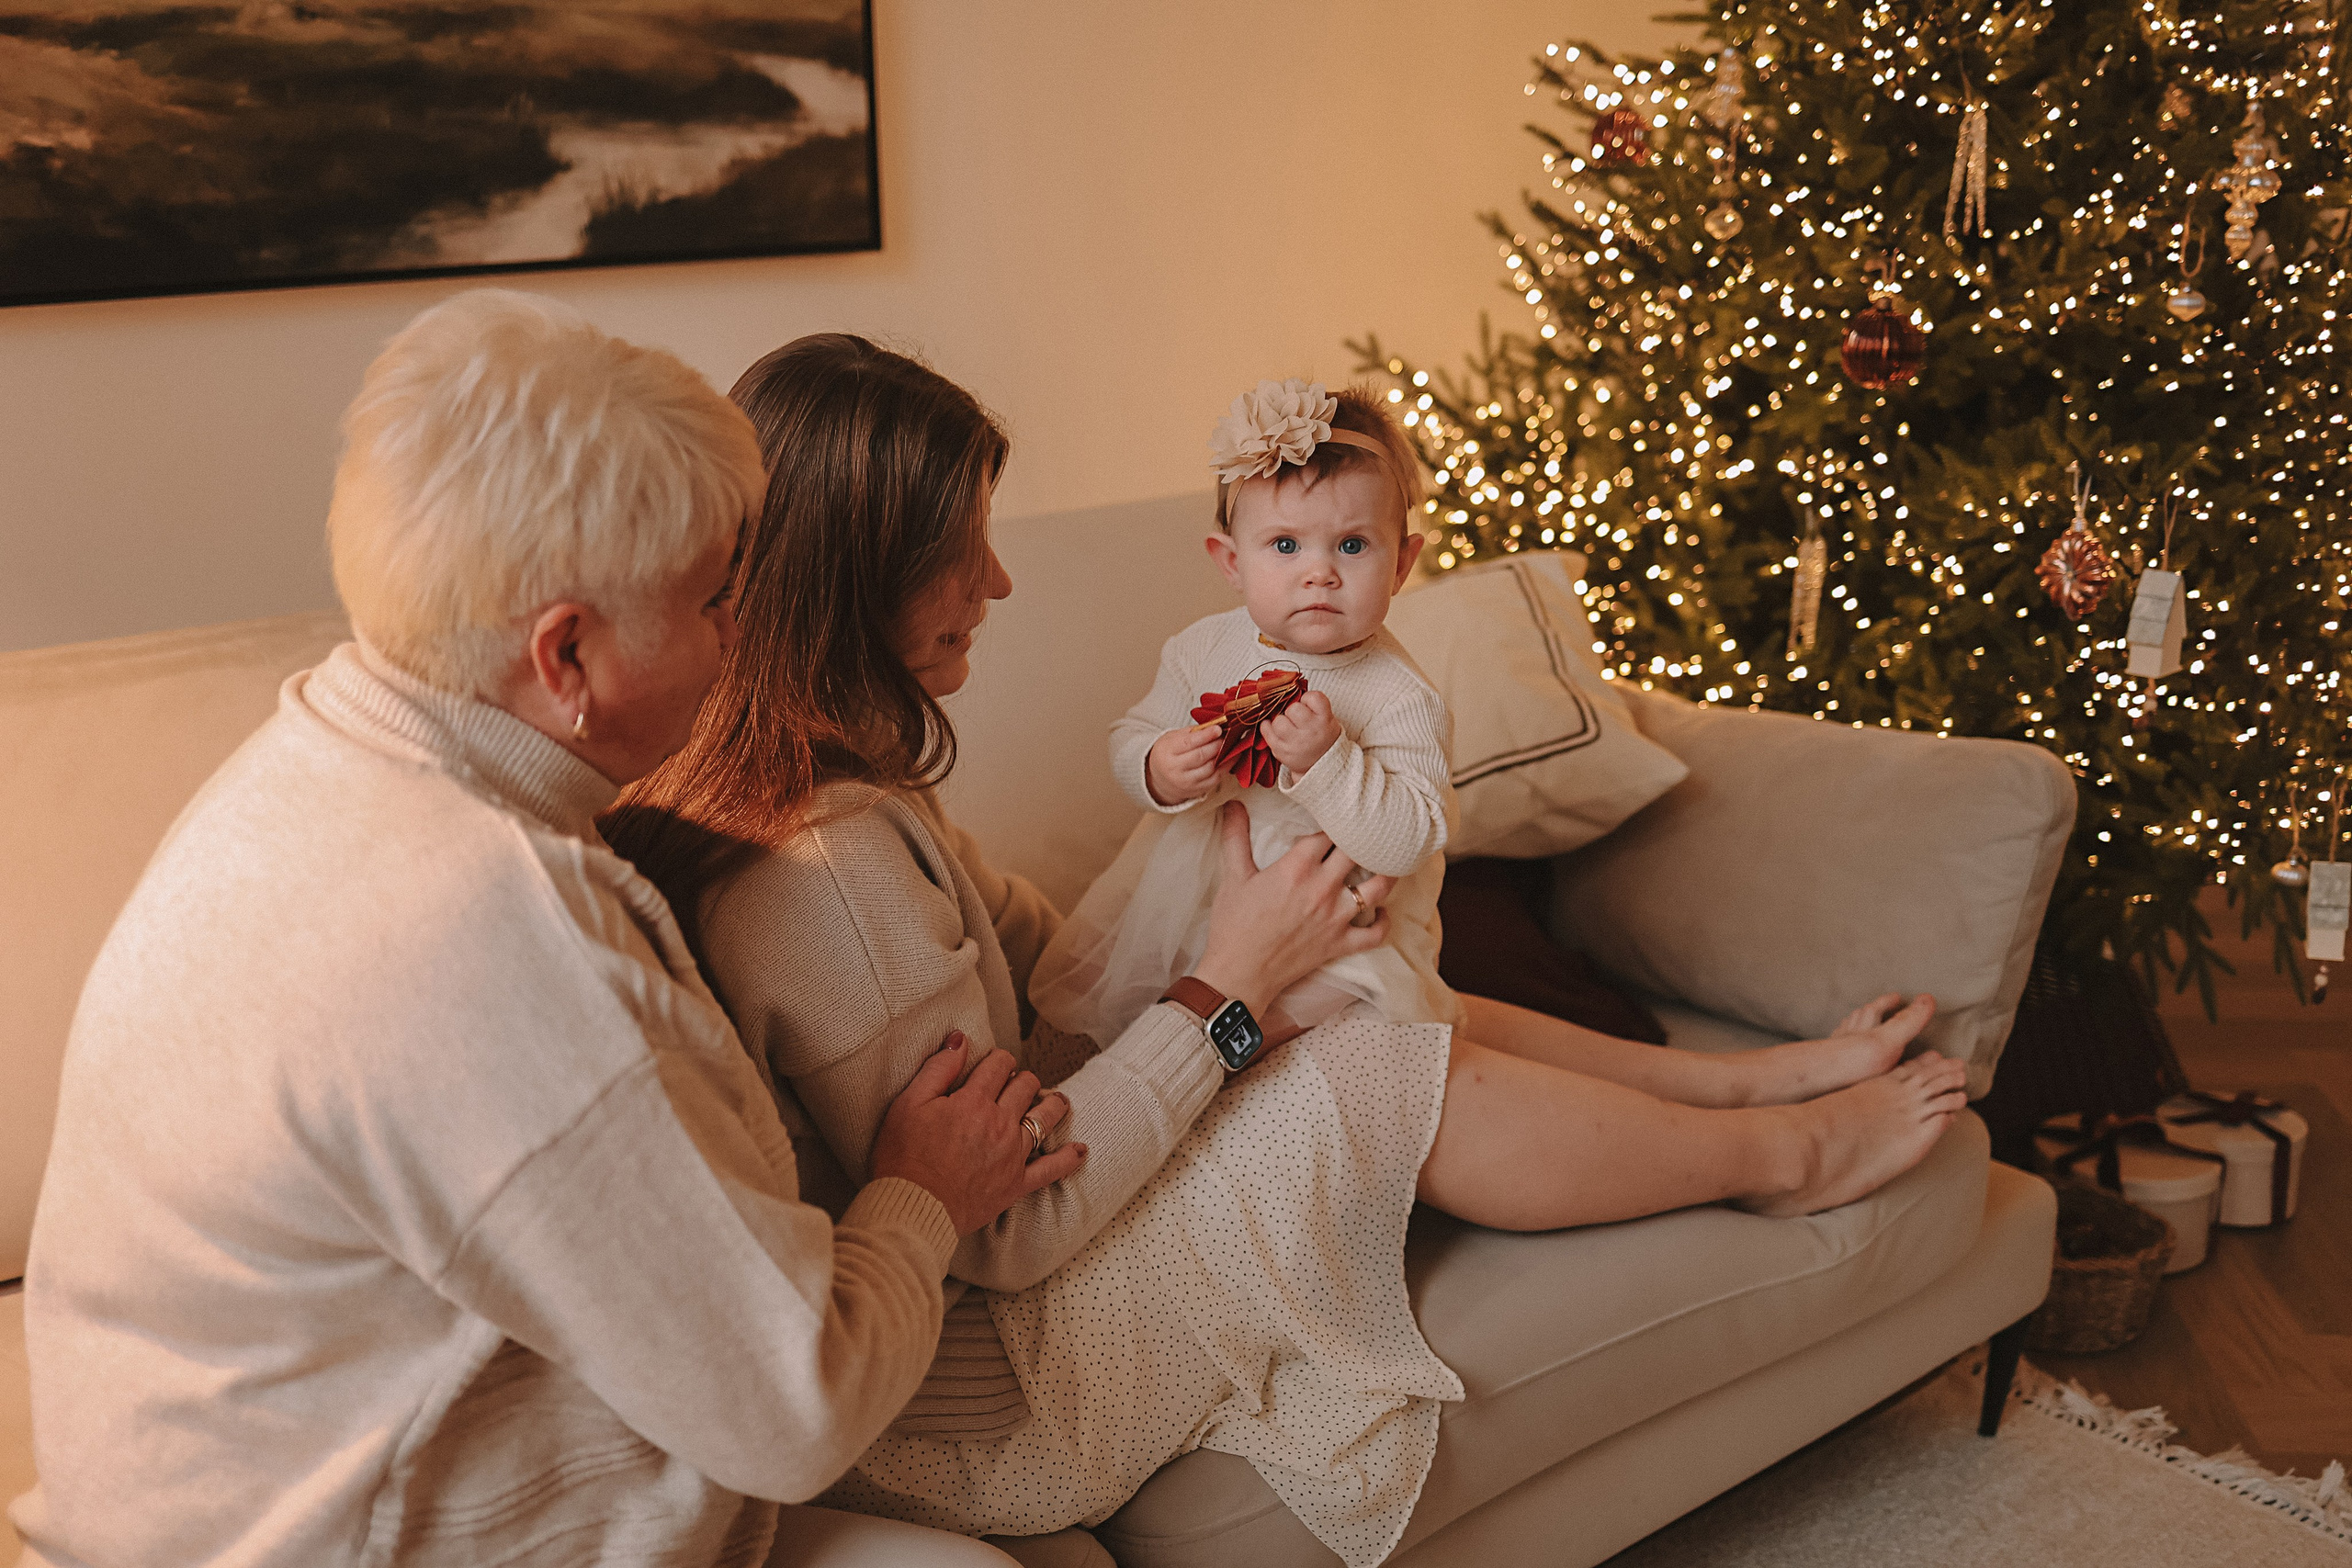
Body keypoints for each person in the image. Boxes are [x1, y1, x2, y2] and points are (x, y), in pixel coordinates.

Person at [608, 336, 1973, 1568]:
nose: (1002, 581)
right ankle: (1794, 1155)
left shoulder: (843, 782)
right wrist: (1228, 987)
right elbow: (1006, 1233)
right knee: (1362, 1065)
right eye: (962, 551)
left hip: (1009, 1256)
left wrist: (1229, 957)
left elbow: (1015, 950)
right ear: (858, 577)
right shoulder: (818, 871)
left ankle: (1750, 1083)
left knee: (1372, 994)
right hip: (987, 1383)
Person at [9, 290, 1080, 1568]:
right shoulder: (475, 930)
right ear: (566, 657)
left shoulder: (328, 753)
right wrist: (918, 1193)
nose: (746, 638)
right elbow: (796, 1404)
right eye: (715, 602)